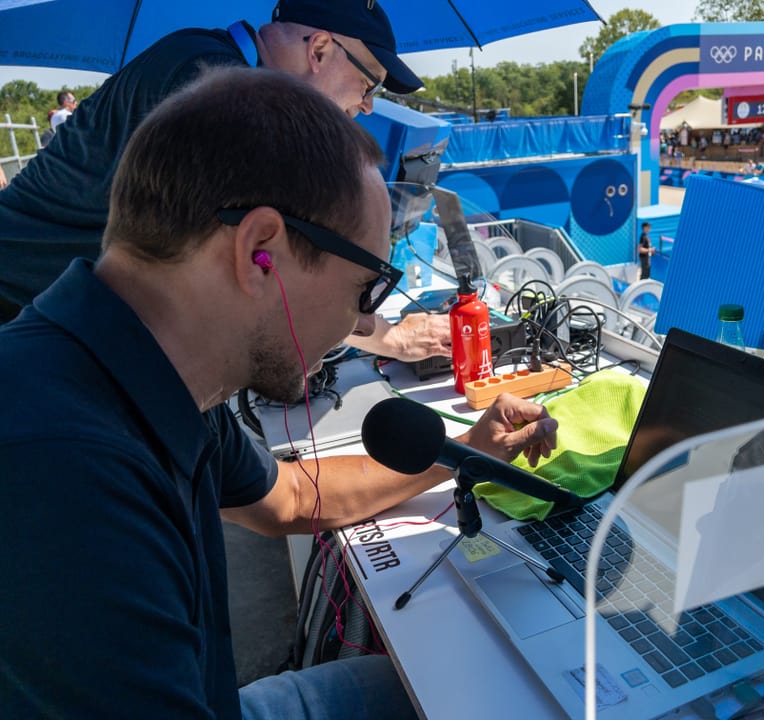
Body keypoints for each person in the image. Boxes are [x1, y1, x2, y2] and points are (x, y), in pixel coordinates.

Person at [0, 66, 559, 719]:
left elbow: (288, 497)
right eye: (366, 289)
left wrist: (464, 449)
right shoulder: (61, 469)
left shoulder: (138, 364)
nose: (359, 322)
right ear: (260, 250)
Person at [0, 0, 449, 363]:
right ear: (319, 50)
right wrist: (387, 339)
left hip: (67, 316)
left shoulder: (215, 65)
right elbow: (240, 271)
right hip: (20, 316)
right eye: (370, 85)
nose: (368, 106)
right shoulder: (215, 84)